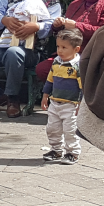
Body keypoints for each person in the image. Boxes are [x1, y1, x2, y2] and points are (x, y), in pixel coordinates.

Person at [41, 28, 83, 165]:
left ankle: (72, 152)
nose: (60, 50)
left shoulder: (78, 66)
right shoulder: (56, 62)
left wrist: (81, 104)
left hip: (71, 105)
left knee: (70, 130)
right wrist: (45, 96)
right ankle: (55, 150)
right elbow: (50, 80)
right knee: (52, 128)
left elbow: (83, 87)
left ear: (76, 49)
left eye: (64, 47)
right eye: (58, 46)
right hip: (55, 103)